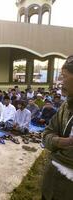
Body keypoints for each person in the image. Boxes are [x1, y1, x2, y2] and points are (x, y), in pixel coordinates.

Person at [42, 55, 73, 200]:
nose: (60, 82)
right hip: (52, 179)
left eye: (64, 76)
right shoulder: (65, 107)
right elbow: (47, 133)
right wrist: (59, 142)